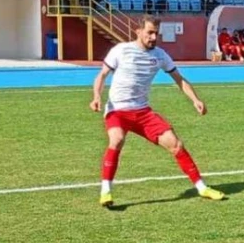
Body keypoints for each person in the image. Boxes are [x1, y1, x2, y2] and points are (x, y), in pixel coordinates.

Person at [91, 16, 224, 208]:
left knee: (176, 145)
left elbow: (179, 78)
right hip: (117, 111)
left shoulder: (160, 55)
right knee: (117, 140)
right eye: (150, 32)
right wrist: (96, 96)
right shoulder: (121, 50)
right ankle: (105, 191)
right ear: (138, 32)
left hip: (143, 112)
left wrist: (195, 100)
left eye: (156, 33)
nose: (154, 37)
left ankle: (202, 188)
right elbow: (102, 75)